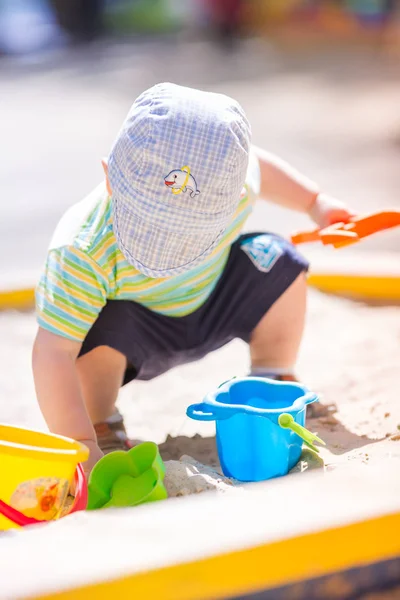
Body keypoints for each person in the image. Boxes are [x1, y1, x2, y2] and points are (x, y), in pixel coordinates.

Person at [32, 82, 354, 475]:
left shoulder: (234, 184)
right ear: (110, 178)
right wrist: (78, 442)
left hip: (212, 299)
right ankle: (99, 423)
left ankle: (272, 373)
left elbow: (259, 166)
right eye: (149, 229)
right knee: (91, 328)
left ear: (235, 196)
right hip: (134, 330)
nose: (169, 251)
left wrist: (315, 203)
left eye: (187, 236)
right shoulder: (83, 251)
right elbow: (53, 353)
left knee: (276, 259)